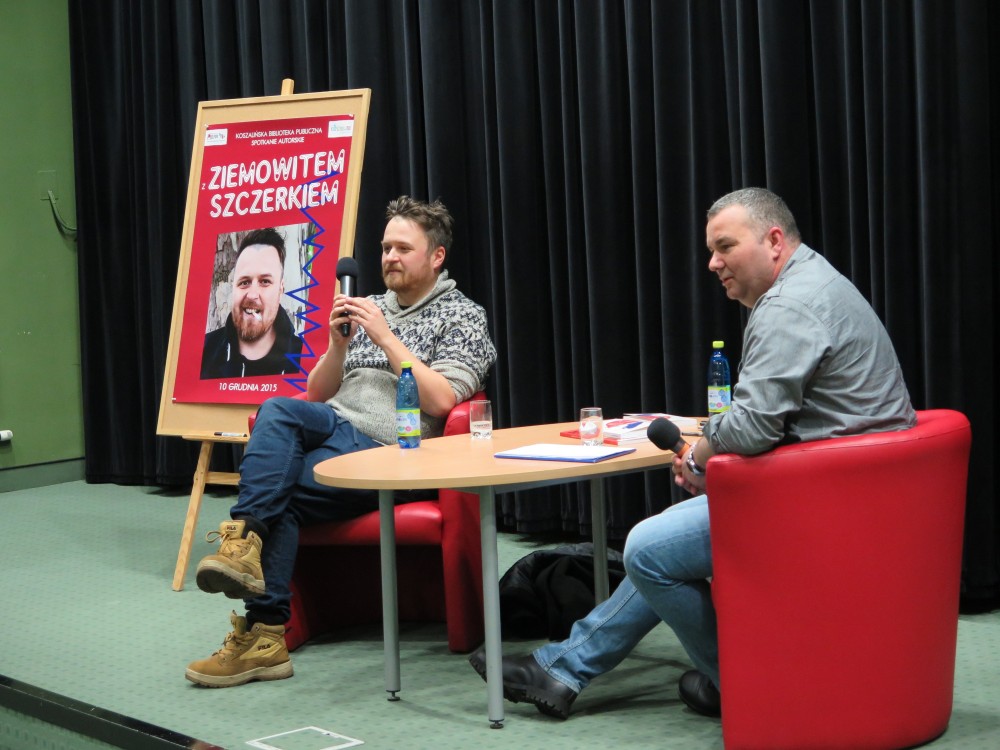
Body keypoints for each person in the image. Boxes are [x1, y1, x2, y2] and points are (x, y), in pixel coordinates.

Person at [469, 187, 915, 719]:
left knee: (646, 549)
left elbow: (751, 427)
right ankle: (563, 669)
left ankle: (743, 683)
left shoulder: (788, 306)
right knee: (662, 545)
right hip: (855, 493)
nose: (713, 263)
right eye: (711, 250)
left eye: (726, 246)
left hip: (825, 506)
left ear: (774, 241)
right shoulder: (817, 282)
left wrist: (701, 458)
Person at [186, 196, 497, 687]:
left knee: (281, 494)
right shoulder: (367, 307)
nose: (389, 257)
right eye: (386, 247)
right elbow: (317, 394)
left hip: (393, 448)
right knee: (277, 408)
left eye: (403, 248)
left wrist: (388, 339)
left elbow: (442, 401)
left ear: (437, 256)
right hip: (335, 423)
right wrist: (338, 346)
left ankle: (264, 633)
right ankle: (245, 543)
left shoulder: (463, 316)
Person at [200, 227, 304, 378]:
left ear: (281, 289)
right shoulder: (203, 352)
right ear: (233, 288)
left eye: (265, 281)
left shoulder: (305, 359)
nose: (252, 295)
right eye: (244, 282)